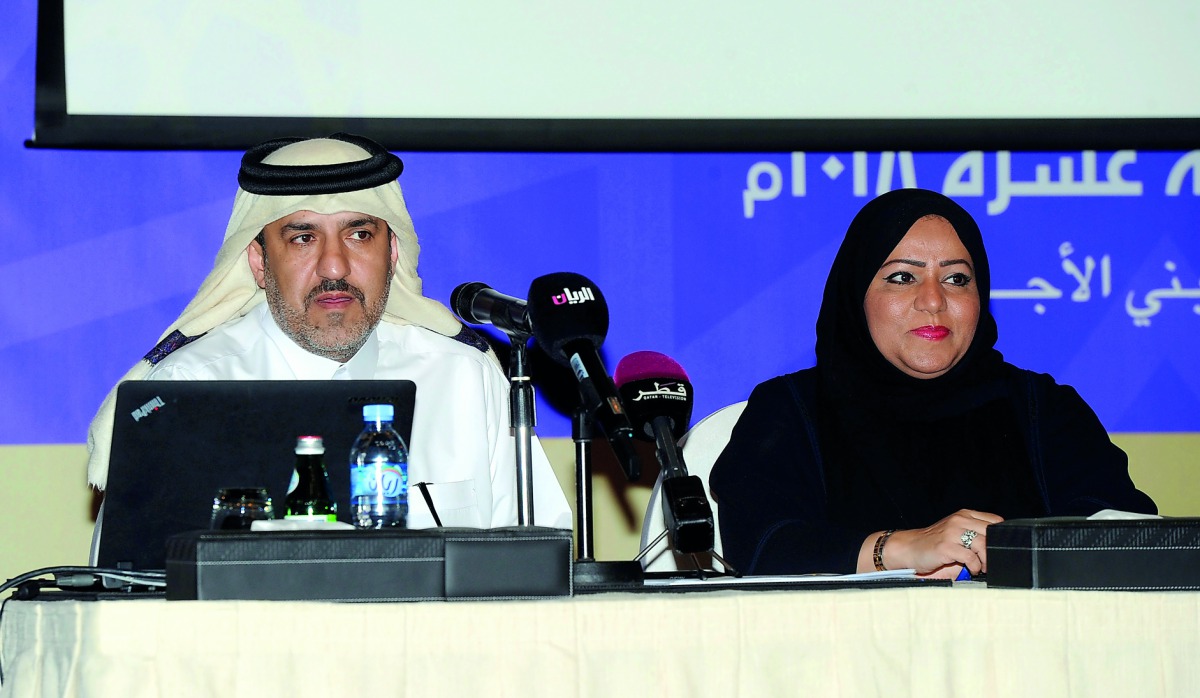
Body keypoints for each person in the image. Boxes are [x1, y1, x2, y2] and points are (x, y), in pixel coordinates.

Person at [86, 133, 573, 530]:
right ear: (259, 262)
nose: (334, 266)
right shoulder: (184, 391)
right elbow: (132, 595)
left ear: (393, 252)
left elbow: (539, 568)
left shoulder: (465, 378)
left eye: (360, 234)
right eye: (302, 238)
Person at [708, 188, 1156, 579]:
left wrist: (1004, 550)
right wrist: (903, 549)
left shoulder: (1044, 409)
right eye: (902, 277)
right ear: (855, 294)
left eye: (956, 279)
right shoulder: (789, 410)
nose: (933, 300)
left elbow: (1122, 531)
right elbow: (762, 547)